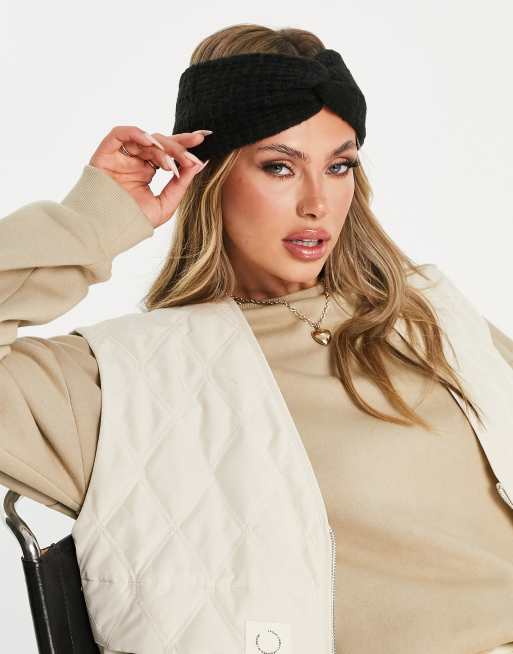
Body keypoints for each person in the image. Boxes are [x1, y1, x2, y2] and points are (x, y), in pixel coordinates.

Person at [1, 23, 513, 654]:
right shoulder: (121, 378)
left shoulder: (427, 315)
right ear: (207, 176)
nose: (317, 203)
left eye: (339, 166)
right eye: (279, 167)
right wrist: (94, 218)